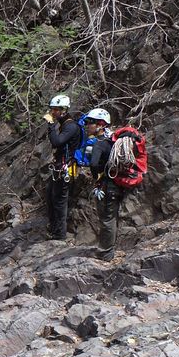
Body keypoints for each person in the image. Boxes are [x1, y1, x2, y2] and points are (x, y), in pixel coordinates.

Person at [83, 108, 121, 261]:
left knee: (106, 218)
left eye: (90, 122)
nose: (87, 125)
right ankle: (109, 249)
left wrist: (96, 178)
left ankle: (106, 252)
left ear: (100, 125)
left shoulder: (99, 143)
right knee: (111, 216)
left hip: (106, 184)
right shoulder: (112, 141)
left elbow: (93, 164)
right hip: (116, 182)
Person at [45, 94, 81, 241]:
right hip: (60, 166)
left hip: (65, 167)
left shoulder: (71, 126)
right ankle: (54, 229)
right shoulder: (65, 124)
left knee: (59, 201)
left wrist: (50, 125)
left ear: (64, 110)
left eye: (56, 110)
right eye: (52, 110)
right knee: (50, 196)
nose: (53, 112)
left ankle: (60, 235)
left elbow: (57, 142)